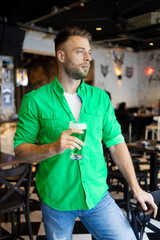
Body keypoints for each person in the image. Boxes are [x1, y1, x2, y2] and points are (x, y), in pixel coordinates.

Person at [13, 27, 157, 240]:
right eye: (80, 51)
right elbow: (21, 151)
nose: (88, 57)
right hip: (56, 198)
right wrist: (53, 147)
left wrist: (136, 188)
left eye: (89, 51)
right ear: (61, 56)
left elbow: (116, 142)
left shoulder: (100, 98)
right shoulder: (34, 100)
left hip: (97, 195)